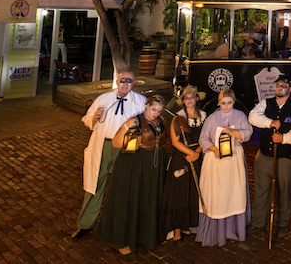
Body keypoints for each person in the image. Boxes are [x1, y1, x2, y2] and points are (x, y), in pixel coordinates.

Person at [71, 71, 146, 240]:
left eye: (129, 81)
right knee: (95, 184)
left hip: (126, 148)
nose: (125, 84)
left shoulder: (140, 102)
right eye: (122, 81)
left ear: (134, 83)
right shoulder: (103, 99)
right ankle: (85, 224)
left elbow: (148, 126)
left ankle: (120, 225)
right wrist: (95, 118)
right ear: (117, 81)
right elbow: (86, 118)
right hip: (103, 146)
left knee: (123, 186)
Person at [95, 94, 168, 255]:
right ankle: (123, 240)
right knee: (131, 199)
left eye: (159, 110)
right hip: (134, 165)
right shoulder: (135, 121)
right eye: (153, 109)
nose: (155, 113)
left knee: (148, 199)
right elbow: (116, 143)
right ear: (147, 106)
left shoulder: (161, 121)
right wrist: (125, 127)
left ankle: (145, 235)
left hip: (154, 166)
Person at [247, 76, 291, 240]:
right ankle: (257, 223)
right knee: (260, 191)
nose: (280, 88)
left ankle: (282, 225)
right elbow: (252, 116)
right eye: (278, 85)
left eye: (284, 85)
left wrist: (284, 139)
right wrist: (269, 122)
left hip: (285, 158)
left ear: (290, 89)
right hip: (264, 156)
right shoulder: (266, 103)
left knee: (283, 193)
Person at [195, 88, 253, 246]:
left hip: (233, 160)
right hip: (215, 161)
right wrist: (214, 149)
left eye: (229, 103)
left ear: (234, 102)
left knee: (233, 192)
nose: (226, 106)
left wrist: (234, 131)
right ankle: (216, 228)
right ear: (218, 102)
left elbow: (248, 133)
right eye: (223, 103)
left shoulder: (240, 116)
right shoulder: (212, 118)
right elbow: (203, 138)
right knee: (217, 194)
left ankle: (233, 228)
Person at [160, 86, 207, 243]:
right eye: (186, 98)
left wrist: (198, 152)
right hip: (182, 157)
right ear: (183, 101)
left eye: (192, 97)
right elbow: (175, 141)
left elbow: (205, 137)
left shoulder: (203, 116)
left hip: (197, 156)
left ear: (197, 98)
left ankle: (187, 225)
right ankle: (177, 229)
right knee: (179, 192)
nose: (189, 100)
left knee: (192, 191)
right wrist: (190, 153)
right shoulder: (178, 118)